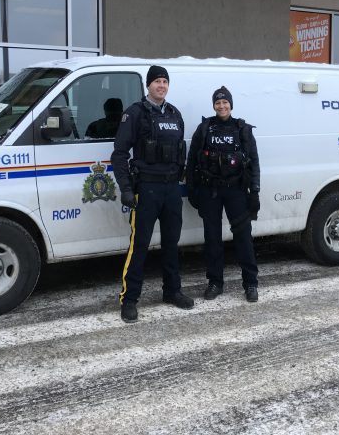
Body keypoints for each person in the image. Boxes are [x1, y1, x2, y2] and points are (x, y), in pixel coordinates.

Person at [111, 65, 193, 322]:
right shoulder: (135, 113)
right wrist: (126, 188)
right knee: (140, 245)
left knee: (171, 242)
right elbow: (120, 154)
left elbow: (181, 151)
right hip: (146, 188)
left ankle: (172, 291)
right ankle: (129, 299)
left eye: (165, 81)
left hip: (171, 189)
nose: (161, 85)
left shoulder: (174, 114)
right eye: (157, 81)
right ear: (148, 85)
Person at [186, 86, 261, 302]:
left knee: (243, 237)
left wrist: (254, 191)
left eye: (225, 102)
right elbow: (191, 161)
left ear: (231, 104)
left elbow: (254, 163)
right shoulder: (204, 128)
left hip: (237, 190)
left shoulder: (242, 130)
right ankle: (215, 282)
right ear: (214, 105)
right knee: (212, 238)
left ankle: (251, 283)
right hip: (210, 191)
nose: (222, 106)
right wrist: (192, 189)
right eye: (218, 103)